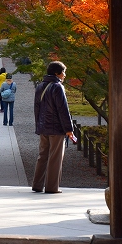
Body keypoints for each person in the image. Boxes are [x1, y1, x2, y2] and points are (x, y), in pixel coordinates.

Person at [31, 61, 74, 194]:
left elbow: (36, 109)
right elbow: (63, 110)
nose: (64, 75)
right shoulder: (57, 87)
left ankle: (37, 185)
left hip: (43, 127)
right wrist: (69, 129)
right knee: (55, 157)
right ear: (57, 73)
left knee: (42, 156)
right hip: (56, 128)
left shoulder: (40, 86)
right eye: (63, 72)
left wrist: (39, 125)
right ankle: (51, 187)